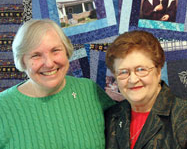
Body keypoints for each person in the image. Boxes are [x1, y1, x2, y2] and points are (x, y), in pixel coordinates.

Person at [0, 19, 115, 148]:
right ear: (22, 61)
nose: (49, 63)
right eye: (36, 55)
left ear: (67, 51)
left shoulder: (89, 90)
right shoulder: (3, 107)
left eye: (55, 50)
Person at [104, 30, 187, 149]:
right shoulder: (111, 117)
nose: (132, 80)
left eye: (141, 69)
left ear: (158, 72)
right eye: (123, 72)